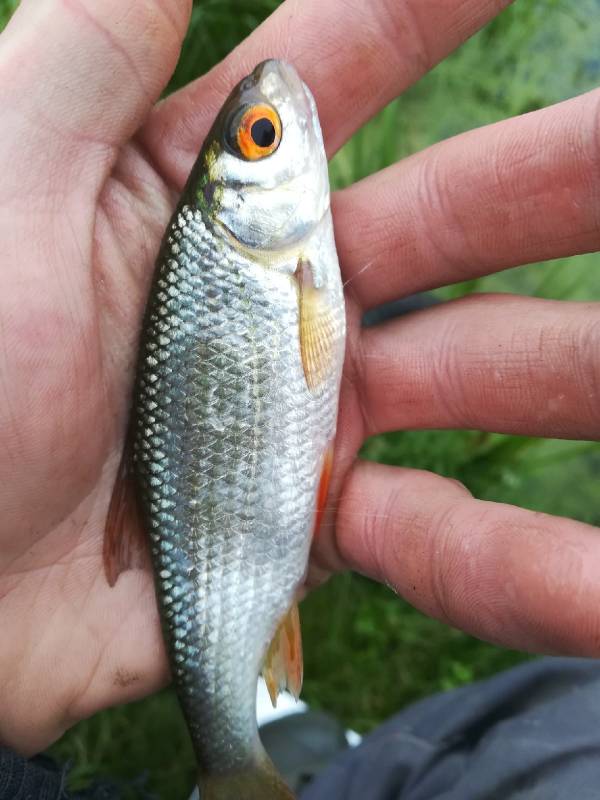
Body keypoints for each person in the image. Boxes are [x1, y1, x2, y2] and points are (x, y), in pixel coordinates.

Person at [0, 0, 599, 797]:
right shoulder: (258, 261)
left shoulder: (252, 259)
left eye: (258, 137)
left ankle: (270, 741)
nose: (278, 115)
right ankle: (243, 754)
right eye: (260, 139)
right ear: (235, 204)